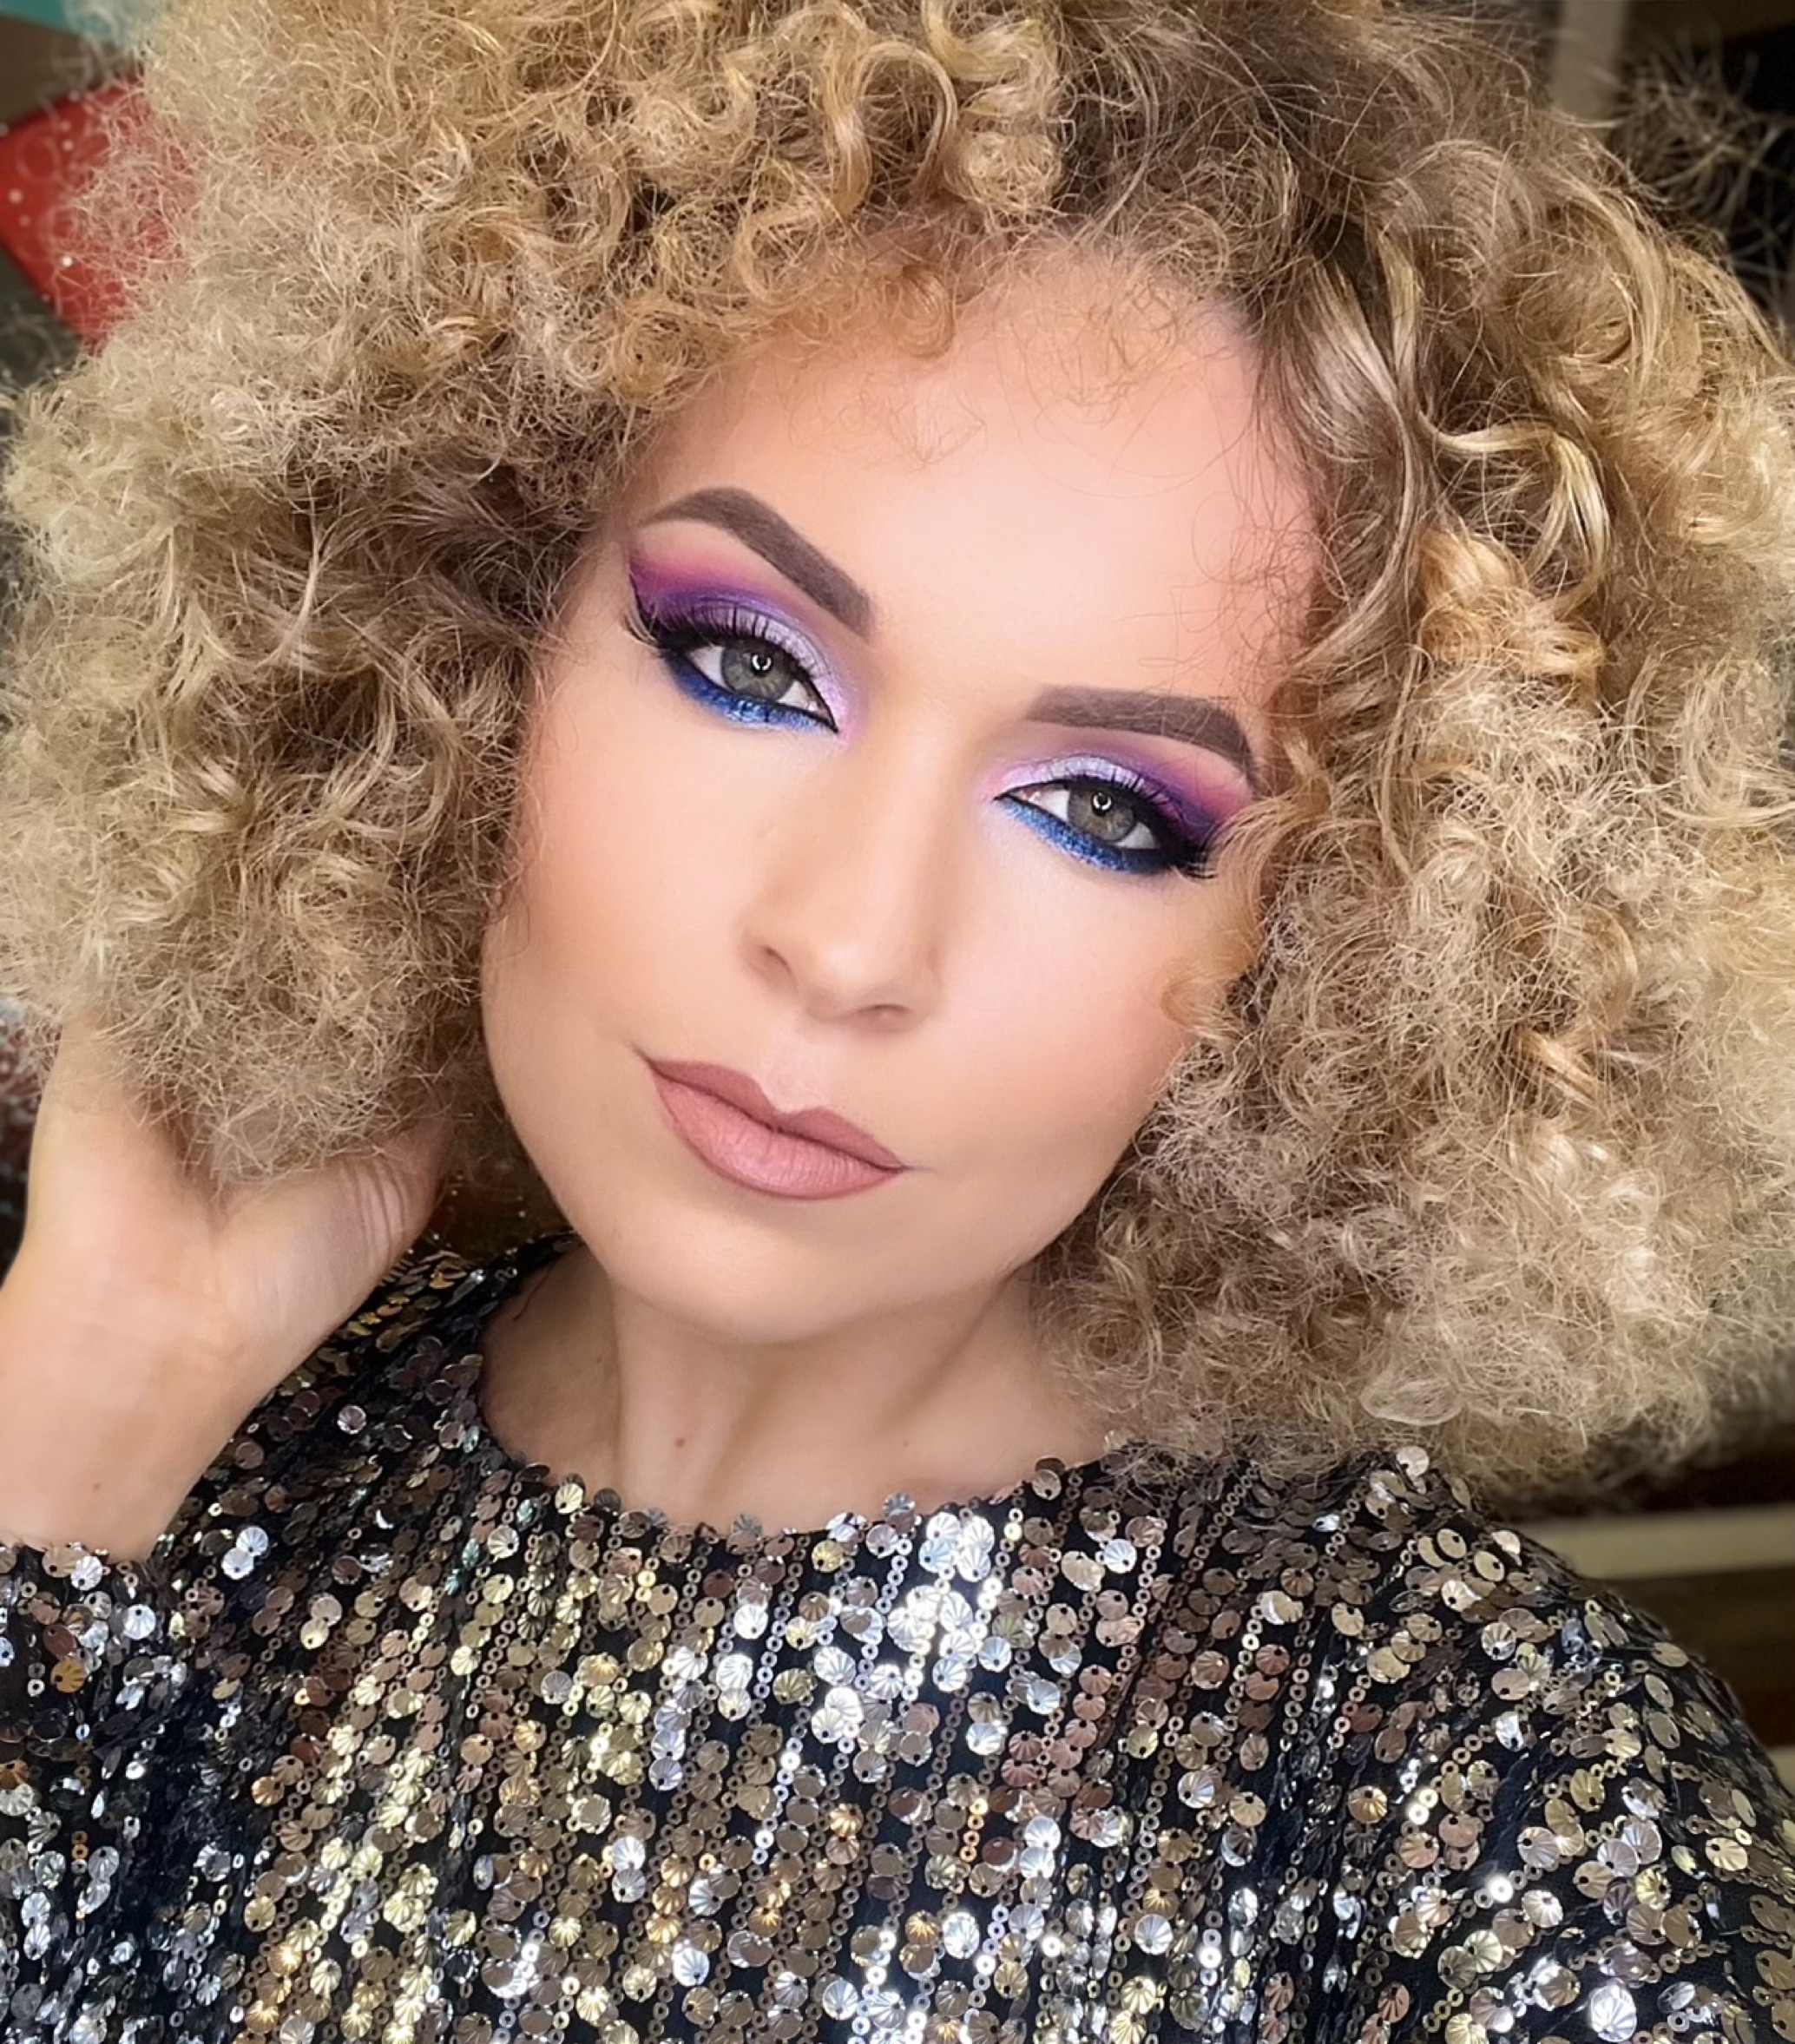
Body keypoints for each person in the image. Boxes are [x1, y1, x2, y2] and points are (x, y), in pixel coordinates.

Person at [3, 0, 1795, 2036]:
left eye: (1103, 811)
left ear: (1322, 949)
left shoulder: (1499, 1820)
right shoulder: (163, 1472)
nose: (853, 939)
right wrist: (77, 1418)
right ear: (465, 636)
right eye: (747, 665)